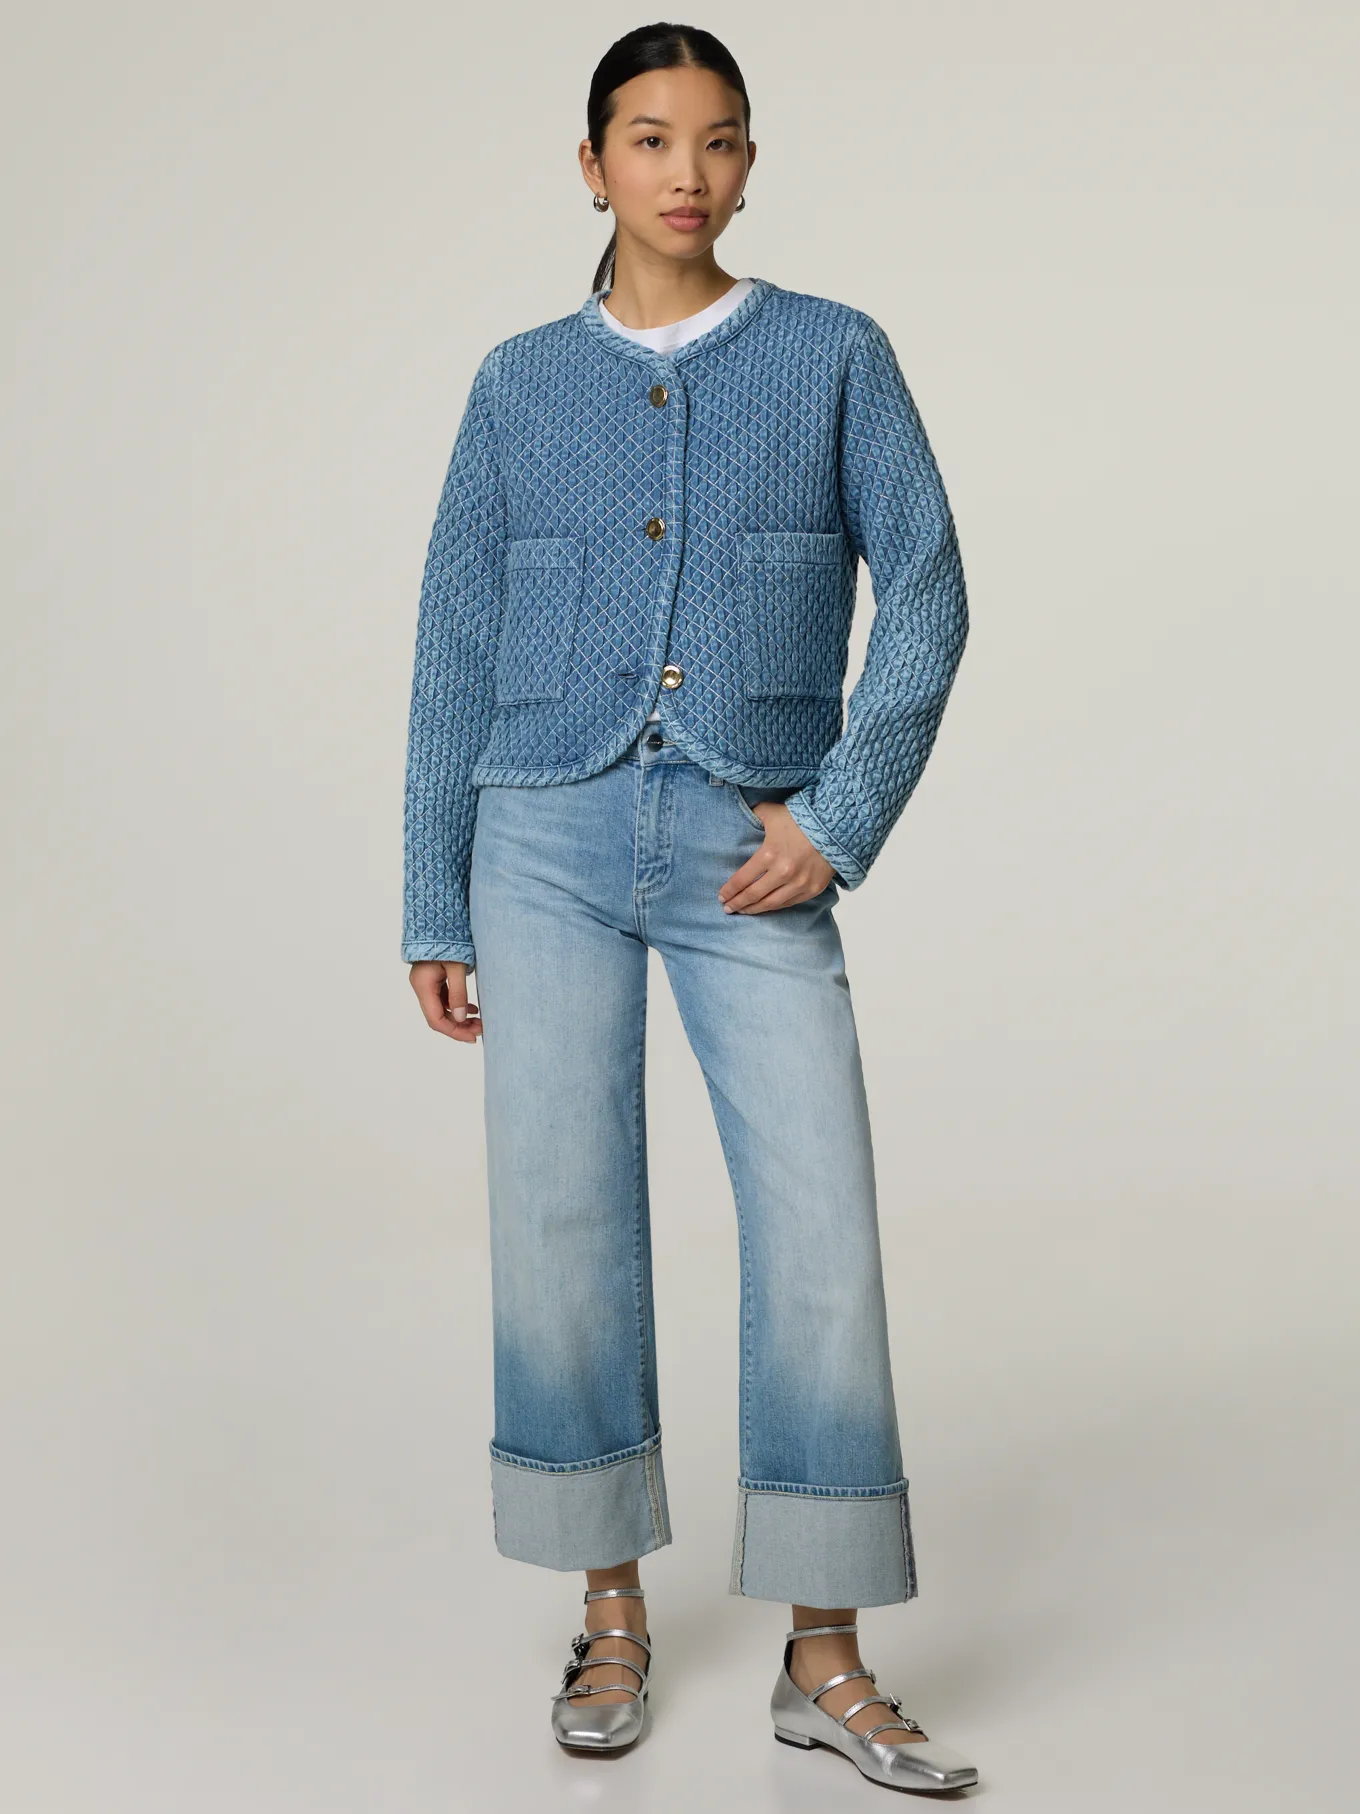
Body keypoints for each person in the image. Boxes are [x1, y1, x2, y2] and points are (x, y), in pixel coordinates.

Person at [401, 21, 978, 1796]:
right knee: (562, 1218)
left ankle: (825, 1651)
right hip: (543, 835)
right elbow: (454, 641)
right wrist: (434, 891)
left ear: (749, 165)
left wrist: (841, 818)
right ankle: (609, 1607)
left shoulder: (833, 353)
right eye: (649, 139)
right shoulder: (517, 382)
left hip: (750, 842)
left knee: (818, 1224)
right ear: (592, 166)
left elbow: (933, 590)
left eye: (717, 140)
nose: (685, 171)